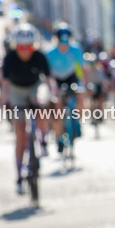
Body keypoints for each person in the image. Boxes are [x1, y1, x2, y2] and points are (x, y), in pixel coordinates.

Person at [0, 26, 54, 194]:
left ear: (34, 45)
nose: (25, 51)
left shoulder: (39, 56)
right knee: (20, 134)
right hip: (16, 91)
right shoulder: (9, 58)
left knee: (42, 105)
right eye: (21, 47)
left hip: (34, 87)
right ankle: (18, 175)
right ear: (16, 46)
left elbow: (49, 79)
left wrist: (52, 95)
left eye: (29, 47)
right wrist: (5, 101)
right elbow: (5, 84)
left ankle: (43, 139)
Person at [43, 22, 87, 155]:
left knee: (80, 96)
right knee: (57, 104)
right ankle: (58, 136)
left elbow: (80, 69)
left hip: (71, 77)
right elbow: (48, 74)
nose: (64, 41)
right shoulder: (50, 52)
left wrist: (82, 83)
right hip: (56, 79)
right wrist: (52, 88)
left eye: (66, 38)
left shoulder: (76, 49)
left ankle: (78, 121)